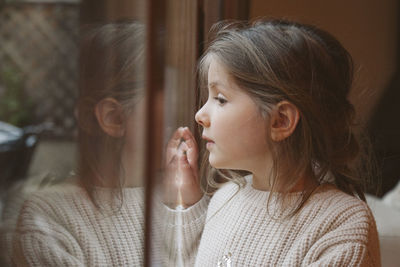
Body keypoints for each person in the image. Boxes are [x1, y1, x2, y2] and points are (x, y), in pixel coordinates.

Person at [164, 19, 381, 266]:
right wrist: (189, 201)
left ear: (280, 121)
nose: (200, 116)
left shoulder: (342, 225)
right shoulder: (226, 197)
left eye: (221, 99)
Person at [12, 21, 147, 266]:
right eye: (177, 102)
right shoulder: (49, 220)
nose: (200, 115)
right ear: (113, 118)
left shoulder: (189, 197)